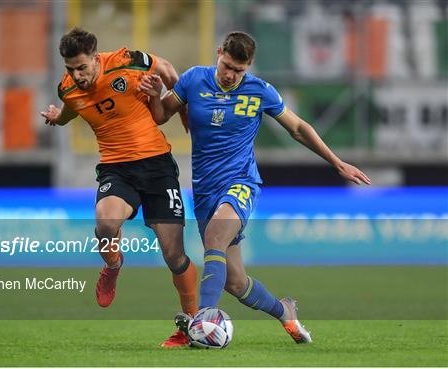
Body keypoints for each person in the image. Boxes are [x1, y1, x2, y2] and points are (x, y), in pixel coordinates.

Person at [139, 31, 371, 344]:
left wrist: (336, 162)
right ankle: (284, 311)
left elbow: (299, 129)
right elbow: (161, 115)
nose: (231, 75)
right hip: (205, 191)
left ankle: (202, 320)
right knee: (235, 283)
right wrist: (155, 95)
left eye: (239, 70)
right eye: (227, 66)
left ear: (249, 67)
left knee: (214, 237)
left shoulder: (260, 91)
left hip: (240, 183)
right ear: (219, 53)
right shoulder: (194, 80)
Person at [41, 27, 197, 347]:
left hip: (157, 166)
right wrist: (58, 118)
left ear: (96, 59)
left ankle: (190, 327)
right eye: (70, 69)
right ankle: (113, 264)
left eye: (83, 67)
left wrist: (182, 108)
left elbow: (167, 68)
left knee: (174, 255)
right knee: (106, 222)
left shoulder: (127, 62)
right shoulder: (67, 88)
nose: (77, 75)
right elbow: (72, 108)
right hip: (116, 168)